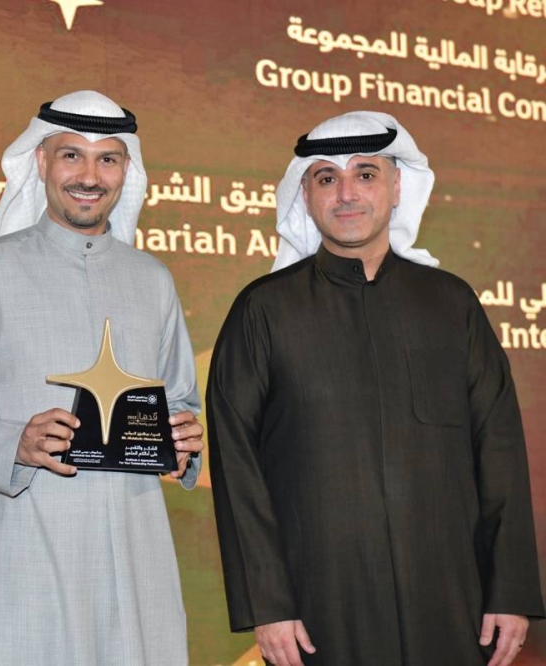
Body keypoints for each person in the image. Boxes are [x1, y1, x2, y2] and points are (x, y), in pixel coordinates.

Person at [206, 110, 544, 666]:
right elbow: (237, 465)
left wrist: (509, 591)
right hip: (318, 608)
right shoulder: (262, 311)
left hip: (450, 600)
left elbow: (499, 450)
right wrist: (268, 605)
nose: (347, 194)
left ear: (397, 186)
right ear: (306, 195)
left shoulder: (452, 304)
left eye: (365, 174)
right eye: (327, 178)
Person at [0, 90, 204, 665]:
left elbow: (179, 399)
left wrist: (183, 439)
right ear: (41, 161)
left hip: (137, 567)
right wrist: (12, 443)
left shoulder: (153, 280)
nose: (89, 176)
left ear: (126, 170)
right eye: (72, 156)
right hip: (27, 565)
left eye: (107, 158)